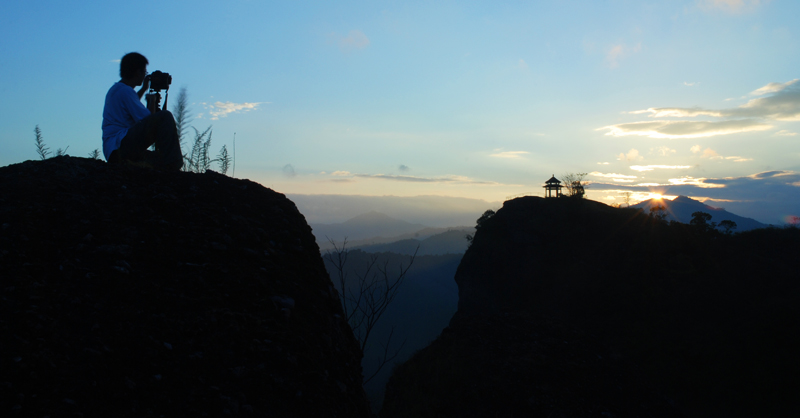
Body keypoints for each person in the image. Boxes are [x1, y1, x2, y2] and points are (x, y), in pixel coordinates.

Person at [102, 52, 183, 170]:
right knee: (165, 116)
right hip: (121, 145)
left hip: (113, 151)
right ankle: (174, 164)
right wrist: (151, 102)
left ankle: (134, 163)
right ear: (137, 71)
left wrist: (144, 89)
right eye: (144, 71)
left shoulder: (116, 89)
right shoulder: (126, 92)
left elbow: (131, 104)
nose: (145, 75)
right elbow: (147, 119)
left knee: (157, 159)